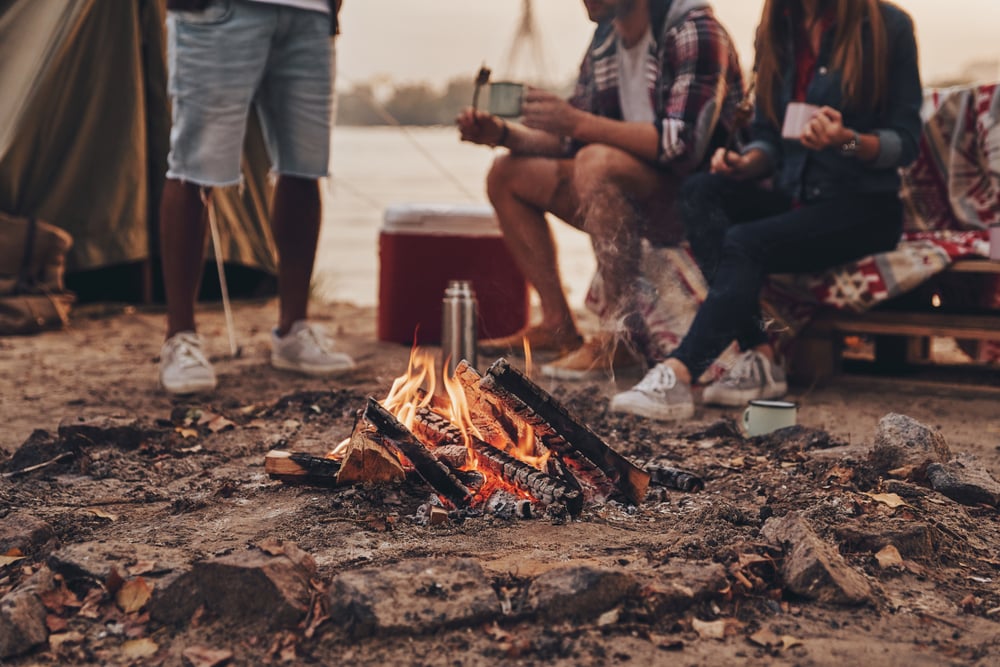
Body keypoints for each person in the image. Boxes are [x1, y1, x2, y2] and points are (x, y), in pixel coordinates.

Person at [611, 0, 923, 420]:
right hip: (799, 198)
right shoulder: (779, 26)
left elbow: (905, 142)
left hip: (864, 209)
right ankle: (759, 354)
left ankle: (679, 374)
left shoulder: (888, 26)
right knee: (701, 191)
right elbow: (769, 140)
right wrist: (746, 162)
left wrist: (845, 139)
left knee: (745, 241)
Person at [457, 0, 744, 380]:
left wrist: (575, 122)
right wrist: (504, 134)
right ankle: (558, 325)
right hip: (627, 187)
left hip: (697, 201)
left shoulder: (693, 30)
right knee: (506, 174)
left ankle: (620, 335)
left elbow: (682, 144)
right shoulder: (606, 39)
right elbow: (571, 141)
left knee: (595, 161)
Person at [158, 0, 354, 395]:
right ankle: (180, 339)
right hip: (218, 11)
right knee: (192, 167)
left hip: (309, 15)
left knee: (305, 166)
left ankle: (293, 331)